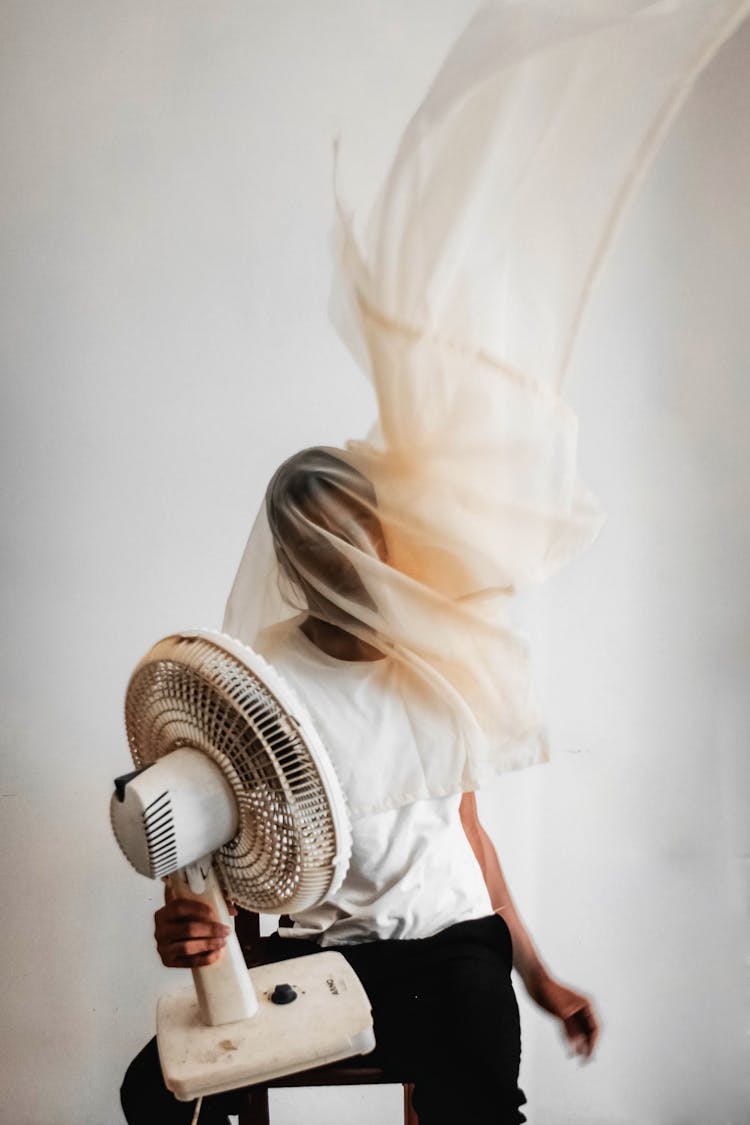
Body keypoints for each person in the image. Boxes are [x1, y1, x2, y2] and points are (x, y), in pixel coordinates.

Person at [120, 450, 600, 1125]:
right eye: (318, 547)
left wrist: (540, 977)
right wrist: (196, 925)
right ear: (290, 562)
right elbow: (226, 854)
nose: (344, 562)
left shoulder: (444, 666)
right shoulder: (258, 685)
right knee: (154, 1094)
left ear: (385, 539)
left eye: (356, 538)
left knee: (480, 1105)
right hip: (323, 962)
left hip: (453, 953)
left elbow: (468, 834)